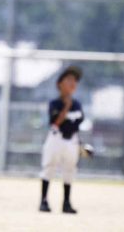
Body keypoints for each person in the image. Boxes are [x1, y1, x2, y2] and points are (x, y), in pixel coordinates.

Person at [38, 66, 84, 214]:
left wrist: (81, 145)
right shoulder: (55, 104)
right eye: (69, 79)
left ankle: (66, 203)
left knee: (69, 170)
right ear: (60, 84)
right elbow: (55, 123)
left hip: (72, 140)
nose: (73, 83)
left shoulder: (77, 105)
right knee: (49, 167)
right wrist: (66, 107)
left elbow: (77, 125)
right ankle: (44, 201)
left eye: (75, 81)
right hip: (55, 138)